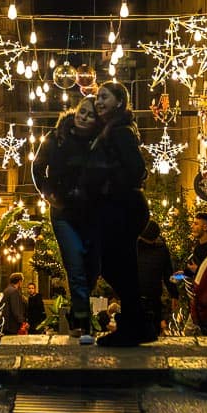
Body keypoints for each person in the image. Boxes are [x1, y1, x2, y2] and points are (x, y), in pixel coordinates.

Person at [81, 80, 153, 347]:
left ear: (119, 102)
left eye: (104, 97)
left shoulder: (120, 131)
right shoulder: (112, 128)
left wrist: (108, 185)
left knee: (114, 265)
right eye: (97, 97)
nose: (98, 102)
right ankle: (138, 324)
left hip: (123, 207)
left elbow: (135, 169)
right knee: (123, 267)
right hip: (120, 207)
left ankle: (133, 326)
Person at [31, 96, 101, 342]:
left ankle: (75, 312)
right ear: (76, 111)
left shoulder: (99, 141)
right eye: (83, 112)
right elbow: (38, 167)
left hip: (92, 214)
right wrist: (48, 193)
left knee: (93, 266)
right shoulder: (56, 137)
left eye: (90, 115)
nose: (84, 117)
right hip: (63, 213)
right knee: (76, 268)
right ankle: (83, 326)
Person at [136, 220, 175, 336]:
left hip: (153, 300)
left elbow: (168, 273)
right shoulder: (132, 246)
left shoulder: (161, 249)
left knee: (153, 334)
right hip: (135, 299)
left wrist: (174, 294)